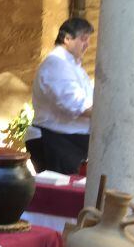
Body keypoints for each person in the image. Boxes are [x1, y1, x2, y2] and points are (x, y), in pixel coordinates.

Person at [30, 18, 94, 174]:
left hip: (70, 141)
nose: (87, 44)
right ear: (67, 39)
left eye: (88, 40)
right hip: (57, 141)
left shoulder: (72, 65)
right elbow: (78, 106)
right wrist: (110, 114)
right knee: (59, 194)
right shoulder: (57, 64)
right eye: (83, 39)